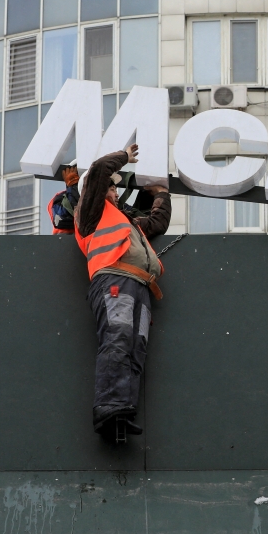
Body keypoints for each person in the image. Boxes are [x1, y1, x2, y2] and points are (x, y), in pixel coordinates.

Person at [74, 144, 171, 437]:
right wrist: (124, 158)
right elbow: (100, 170)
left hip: (138, 285)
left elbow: (157, 222)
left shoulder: (125, 221)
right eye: (113, 189)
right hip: (114, 280)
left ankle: (121, 410)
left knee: (135, 346)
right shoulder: (90, 211)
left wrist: (161, 194)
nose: (116, 193)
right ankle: (108, 406)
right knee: (118, 339)